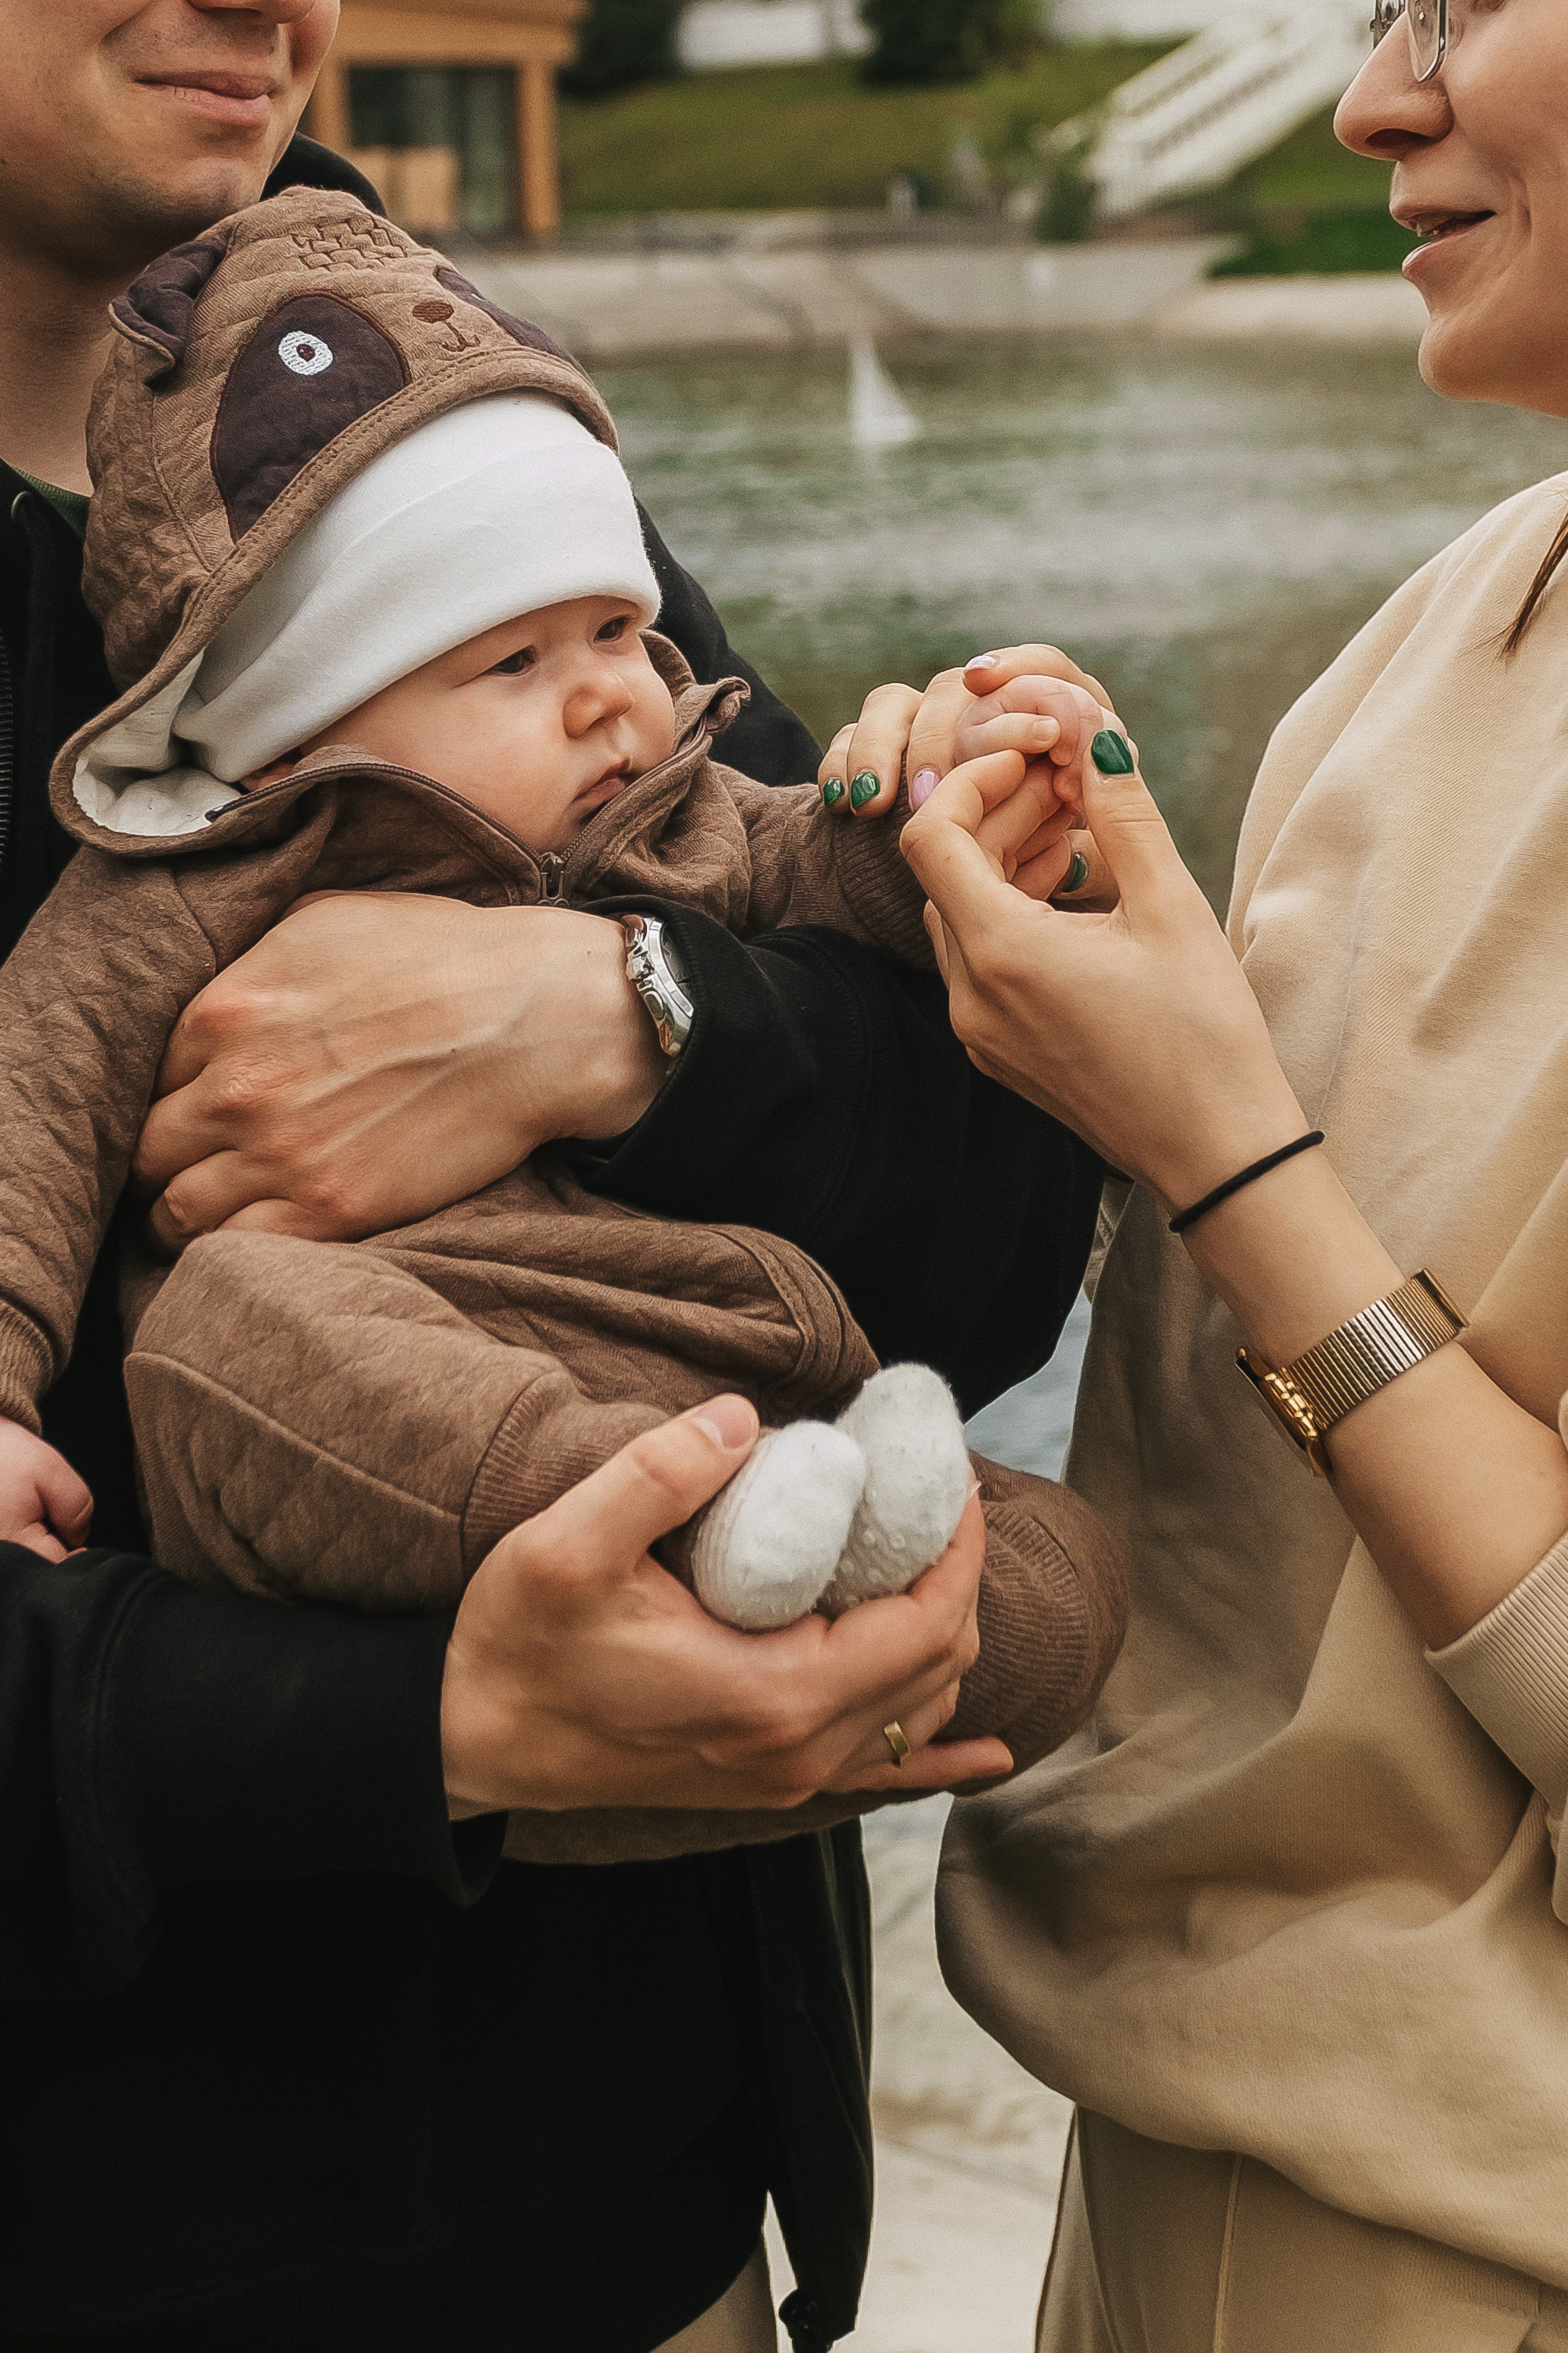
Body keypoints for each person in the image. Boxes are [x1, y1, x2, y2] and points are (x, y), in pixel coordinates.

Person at [0, 5, 1107, 2348]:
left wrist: (622, 1014)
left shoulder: (430, 409)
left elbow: (995, 1225)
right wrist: (437, 1727)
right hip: (105, 2251)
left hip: (646, 2207)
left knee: (1042, 1570)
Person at [0, 188, 1123, 1804]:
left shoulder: (672, 800)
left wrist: (967, 807)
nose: (608, 693)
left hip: (707, 1345)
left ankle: (850, 1589)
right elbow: (32, 1115)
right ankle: (678, 1522)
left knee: (1070, 1578)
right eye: (512, 663)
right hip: (402, 1411)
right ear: (300, 721)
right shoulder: (187, 881)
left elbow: (842, 875)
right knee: (230, 1322)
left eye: (615, 625)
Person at [892, 0, 1568, 2340]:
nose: (1376, 99)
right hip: (1152, 2140)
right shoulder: (1449, 614)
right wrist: (1050, 928)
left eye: (1461, 1)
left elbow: (1260, 1205)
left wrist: (1217, 1143)